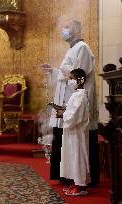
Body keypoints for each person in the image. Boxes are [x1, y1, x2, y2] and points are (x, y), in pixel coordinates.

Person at [41, 19, 99, 186]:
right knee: (64, 140)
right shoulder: (73, 49)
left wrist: (60, 73)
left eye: (66, 27)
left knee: (77, 141)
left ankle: (79, 179)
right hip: (68, 103)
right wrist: (53, 71)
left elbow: (77, 75)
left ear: (76, 29)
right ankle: (67, 175)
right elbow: (68, 73)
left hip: (77, 104)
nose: (63, 30)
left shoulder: (82, 48)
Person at [57, 68, 90, 196]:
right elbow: (71, 111)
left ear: (80, 80)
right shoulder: (76, 95)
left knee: (77, 156)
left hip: (77, 132)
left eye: (71, 78)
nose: (69, 81)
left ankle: (80, 185)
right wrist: (64, 111)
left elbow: (75, 116)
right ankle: (75, 182)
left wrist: (63, 114)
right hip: (71, 132)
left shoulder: (81, 96)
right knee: (71, 156)